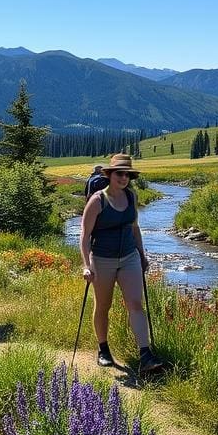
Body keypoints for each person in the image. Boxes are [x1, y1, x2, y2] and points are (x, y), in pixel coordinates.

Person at [79, 153, 163, 374]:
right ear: (109, 174)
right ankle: (103, 349)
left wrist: (142, 255)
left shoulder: (132, 197)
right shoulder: (97, 200)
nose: (124, 178)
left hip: (129, 257)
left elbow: (135, 228)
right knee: (103, 306)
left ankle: (145, 355)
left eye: (128, 174)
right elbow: (85, 236)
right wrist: (86, 265)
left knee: (135, 303)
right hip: (102, 259)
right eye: (120, 173)